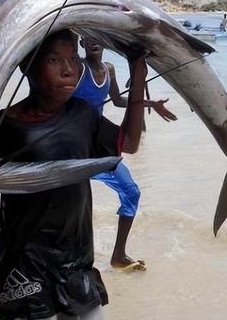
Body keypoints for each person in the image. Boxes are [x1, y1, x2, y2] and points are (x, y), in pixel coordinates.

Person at [0, 29, 148, 320]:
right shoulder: (2, 126)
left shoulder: (83, 114)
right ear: (27, 65)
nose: (68, 70)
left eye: (73, 58)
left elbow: (130, 143)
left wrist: (138, 76)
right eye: (54, 60)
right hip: (23, 266)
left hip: (76, 261)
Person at [73, 38, 177, 271]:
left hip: (98, 141)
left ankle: (118, 254)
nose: (93, 42)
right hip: (71, 142)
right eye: (88, 38)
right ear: (82, 42)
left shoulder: (109, 69)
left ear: (105, 43)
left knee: (131, 191)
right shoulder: (77, 68)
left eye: (98, 38)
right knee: (75, 201)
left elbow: (119, 100)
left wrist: (151, 103)